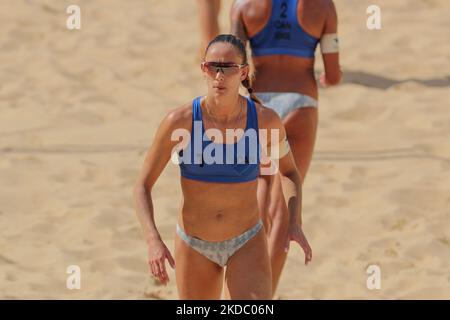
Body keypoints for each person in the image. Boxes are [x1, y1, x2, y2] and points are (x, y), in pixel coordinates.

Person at [133, 34, 311, 299]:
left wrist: (294, 221)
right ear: (203, 69)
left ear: (243, 72)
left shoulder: (265, 122)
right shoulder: (179, 122)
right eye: (212, 67)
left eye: (228, 68)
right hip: (195, 245)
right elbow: (142, 186)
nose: (219, 75)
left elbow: (289, 172)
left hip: (246, 241)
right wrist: (153, 240)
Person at [230, 0, 341, 296]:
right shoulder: (323, 7)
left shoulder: (243, 6)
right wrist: (327, 79)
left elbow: (234, 67)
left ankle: (242, 293)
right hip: (301, 103)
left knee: (253, 204)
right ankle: (264, 295)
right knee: (283, 210)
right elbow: (334, 73)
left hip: (259, 105)